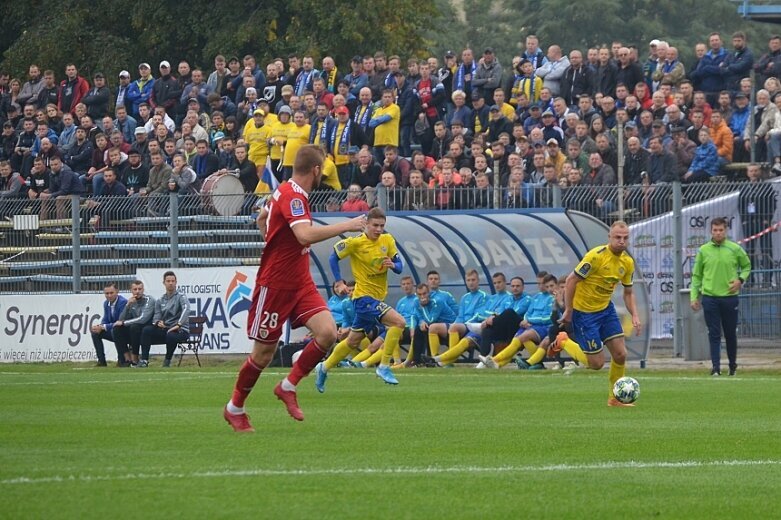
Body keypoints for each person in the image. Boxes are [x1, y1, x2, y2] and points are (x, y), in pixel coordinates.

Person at [224, 145, 366, 431]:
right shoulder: (292, 196)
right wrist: (346, 224)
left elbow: (262, 218)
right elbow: (303, 235)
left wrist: (272, 240)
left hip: (299, 280)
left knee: (327, 332)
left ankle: (288, 386)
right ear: (315, 169)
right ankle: (234, 408)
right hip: (275, 284)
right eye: (322, 170)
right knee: (263, 354)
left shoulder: (285, 191)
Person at [549, 221, 642, 407]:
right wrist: (569, 310)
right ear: (609, 237)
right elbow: (571, 280)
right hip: (584, 314)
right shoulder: (595, 257)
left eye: (625, 238)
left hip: (606, 311)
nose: (621, 241)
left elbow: (628, 292)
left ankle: (614, 398)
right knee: (596, 363)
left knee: (620, 354)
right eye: (618, 237)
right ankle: (564, 341)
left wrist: (635, 315)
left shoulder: (627, 262)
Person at [316, 207, 407, 391]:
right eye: (375, 225)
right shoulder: (355, 243)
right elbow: (333, 257)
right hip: (363, 298)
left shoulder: (387, 240)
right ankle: (383, 366)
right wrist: (339, 281)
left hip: (376, 297)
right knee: (399, 322)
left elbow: (399, 266)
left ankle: (323, 368)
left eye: (382, 225)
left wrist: (393, 265)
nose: (379, 229)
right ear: (366, 224)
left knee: (352, 341)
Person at [690, 217, 751, 376]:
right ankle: (716, 368)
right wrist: (694, 297)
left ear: (726, 231)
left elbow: (747, 266)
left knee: (730, 333)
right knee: (714, 333)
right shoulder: (703, 250)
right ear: (711, 231)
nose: (718, 233)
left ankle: (732, 366)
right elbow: (696, 276)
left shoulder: (734, 248)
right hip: (710, 298)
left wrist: (740, 280)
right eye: (715, 230)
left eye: (721, 230)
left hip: (730, 297)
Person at [481, 274, 557, 369]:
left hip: (542, 327)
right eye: (539, 283)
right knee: (516, 340)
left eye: (550, 285)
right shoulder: (536, 297)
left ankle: (494, 360)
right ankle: (497, 364)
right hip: (528, 325)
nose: (543, 286)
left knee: (521, 335)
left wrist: (530, 320)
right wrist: (528, 319)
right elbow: (528, 313)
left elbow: (547, 318)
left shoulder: (553, 298)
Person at [138, 271, 190, 368]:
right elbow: (156, 316)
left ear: (176, 282)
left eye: (172, 281)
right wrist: (158, 322)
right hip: (166, 329)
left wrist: (178, 324)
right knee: (147, 330)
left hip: (180, 330)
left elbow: (187, 309)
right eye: (168, 281)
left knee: (171, 335)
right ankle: (144, 360)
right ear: (164, 283)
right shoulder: (160, 300)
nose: (170, 283)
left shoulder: (181, 296)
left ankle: (167, 361)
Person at [113, 280, 156, 367]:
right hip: (134, 329)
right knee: (116, 329)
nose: (137, 291)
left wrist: (124, 323)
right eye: (135, 289)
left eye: (139, 289)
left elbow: (143, 319)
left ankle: (135, 358)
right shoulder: (131, 302)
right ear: (131, 291)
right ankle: (126, 359)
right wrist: (127, 305)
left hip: (147, 328)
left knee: (134, 327)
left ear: (143, 290)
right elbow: (120, 319)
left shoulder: (149, 300)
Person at [89, 282, 127, 367]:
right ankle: (101, 361)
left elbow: (120, 321)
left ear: (117, 291)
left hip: (124, 331)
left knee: (116, 330)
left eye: (111, 293)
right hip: (113, 329)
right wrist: (100, 327)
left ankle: (122, 360)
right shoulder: (106, 303)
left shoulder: (123, 302)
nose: (109, 296)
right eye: (107, 293)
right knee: (95, 332)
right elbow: (105, 319)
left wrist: (104, 327)